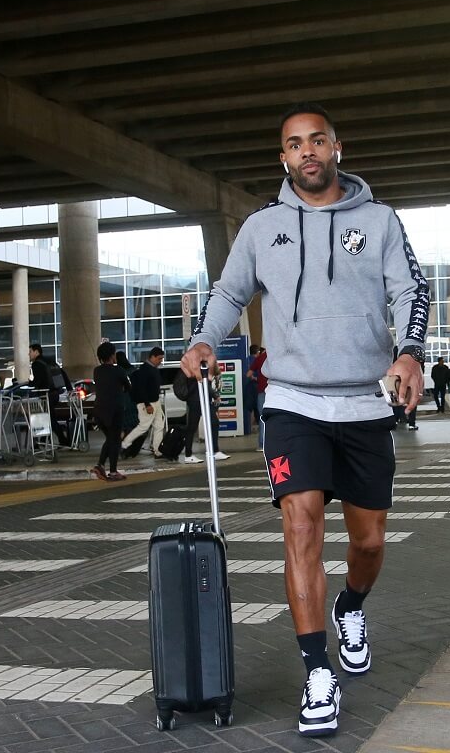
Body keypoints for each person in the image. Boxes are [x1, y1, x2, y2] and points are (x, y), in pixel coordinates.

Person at [181, 103, 428, 738]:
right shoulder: (262, 227)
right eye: (294, 144)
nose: (307, 151)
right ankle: (317, 672)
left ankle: (351, 605)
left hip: (366, 402)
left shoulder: (377, 221)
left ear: (337, 147)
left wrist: (409, 353)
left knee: (369, 541)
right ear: (284, 157)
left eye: (317, 140)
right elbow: (230, 292)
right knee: (302, 528)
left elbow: (411, 291)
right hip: (291, 401)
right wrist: (205, 338)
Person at [91, 341, 131, 481]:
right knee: (115, 441)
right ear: (112, 355)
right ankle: (112, 471)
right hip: (115, 410)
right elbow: (128, 386)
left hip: (99, 411)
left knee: (110, 439)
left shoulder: (97, 371)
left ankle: (101, 465)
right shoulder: (118, 370)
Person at [121, 346, 167, 457]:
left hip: (154, 402)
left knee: (158, 426)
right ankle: (124, 444)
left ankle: (157, 449)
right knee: (143, 427)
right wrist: (147, 404)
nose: (160, 361)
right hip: (147, 403)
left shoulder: (150, 369)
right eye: (159, 358)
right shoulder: (145, 370)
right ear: (152, 357)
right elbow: (141, 389)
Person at [181, 366, 228, 463]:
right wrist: (215, 395)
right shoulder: (198, 368)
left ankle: (214, 451)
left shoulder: (199, 366)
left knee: (212, 423)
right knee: (193, 427)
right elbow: (204, 384)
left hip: (200, 399)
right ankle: (188, 455)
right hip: (197, 400)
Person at [29, 343, 71, 447]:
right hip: (55, 394)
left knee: (49, 419)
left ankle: (63, 440)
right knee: (47, 418)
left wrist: (28, 383)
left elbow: (37, 382)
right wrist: (69, 388)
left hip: (45, 395)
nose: (29, 354)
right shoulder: (50, 361)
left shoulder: (36, 364)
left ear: (36, 352)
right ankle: (43, 441)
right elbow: (63, 373)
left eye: (30, 352)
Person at [248, 345, 268, 451]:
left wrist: (256, 379)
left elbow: (248, 374)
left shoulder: (259, 358)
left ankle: (261, 445)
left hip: (261, 392)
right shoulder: (275, 357)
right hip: (274, 392)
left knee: (262, 419)